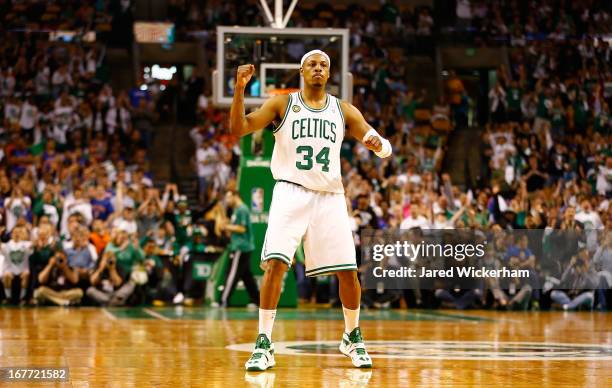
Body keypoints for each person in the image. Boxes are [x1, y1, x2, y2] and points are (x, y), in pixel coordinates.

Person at [230, 50, 392, 370]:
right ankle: (263, 343)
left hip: (329, 197)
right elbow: (240, 128)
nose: (318, 68)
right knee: (275, 265)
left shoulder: (343, 110)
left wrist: (378, 145)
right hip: (290, 192)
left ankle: (352, 335)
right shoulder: (282, 104)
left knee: (347, 271)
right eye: (312, 64)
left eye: (323, 65)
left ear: (329, 74)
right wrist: (238, 90)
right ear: (301, 71)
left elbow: (380, 143)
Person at [217, 189, 259, 308]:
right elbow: (234, 228)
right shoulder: (236, 210)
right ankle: (258, 300)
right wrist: (226, 226)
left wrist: (227, 227)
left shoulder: (242, 209)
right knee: (247, 277)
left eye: (229, 197)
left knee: (232, 274)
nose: (227, 200)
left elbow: (242, 229)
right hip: (239, 246)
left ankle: (223, 301)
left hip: (241, 247)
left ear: (235, 196)